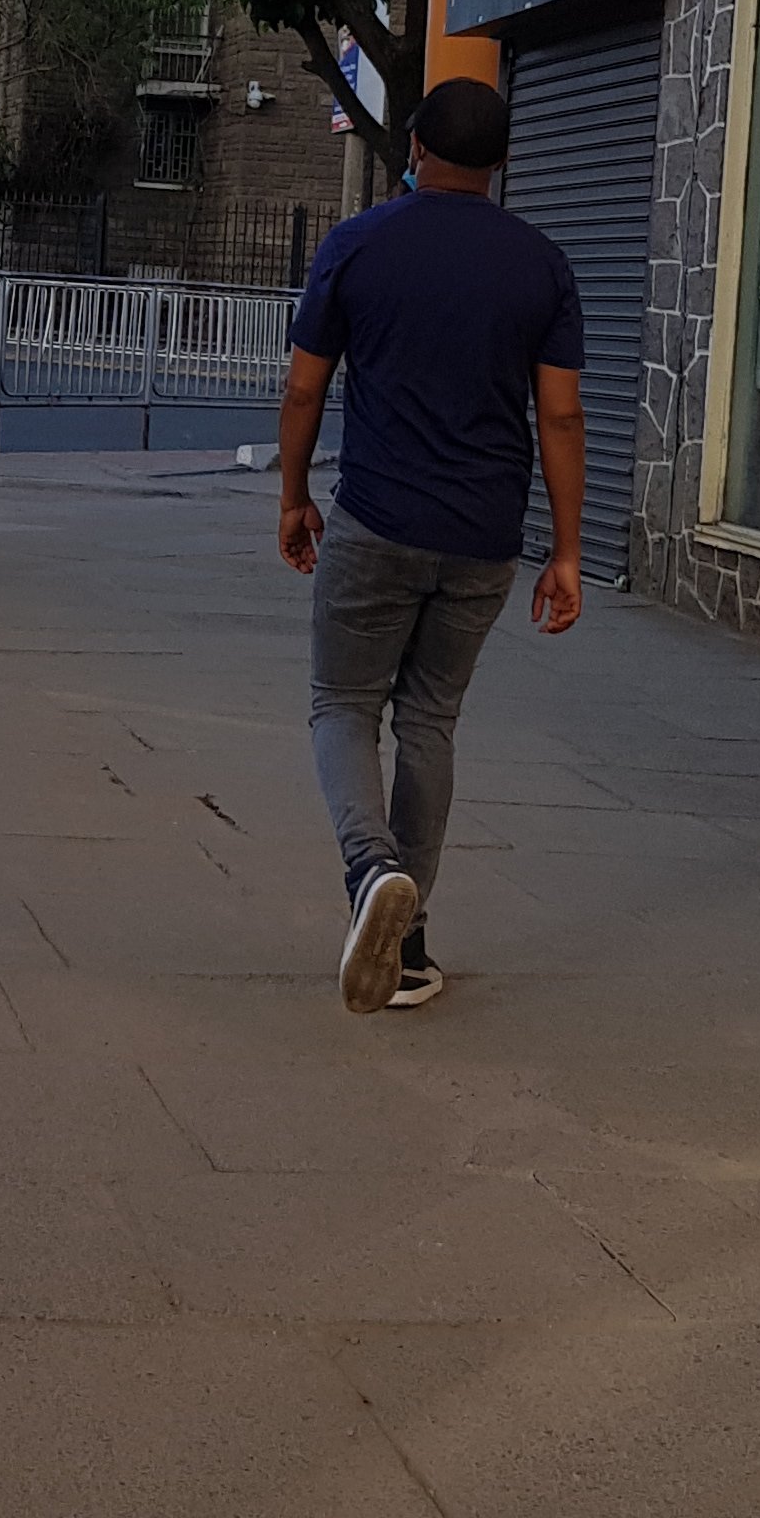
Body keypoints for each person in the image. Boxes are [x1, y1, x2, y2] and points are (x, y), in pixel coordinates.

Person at [277, 72, 586, 1015]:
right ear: (501, 162)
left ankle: (372, 871)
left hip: (375, 520)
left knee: (342, 703)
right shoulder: (541, 266)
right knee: (431, 720)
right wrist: (567, 553)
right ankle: (408, 952)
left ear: (414, 148)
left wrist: (293, 497)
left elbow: (304, 387)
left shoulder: (359, 244)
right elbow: (561, 416)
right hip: (485, 536)